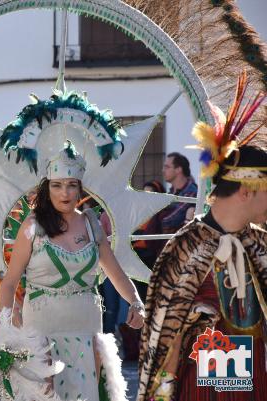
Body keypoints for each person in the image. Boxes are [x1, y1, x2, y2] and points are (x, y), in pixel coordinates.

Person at [138, 75, 267, 401]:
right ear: (248, 189)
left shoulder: (259, 244)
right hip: (203, 386)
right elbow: (163, 342)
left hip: (255, 382)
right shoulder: (186, 247)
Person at [0, 143, 145, 401]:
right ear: (47, 187)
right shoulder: (33, 226)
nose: (64, 193)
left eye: (71, 185)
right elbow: (10, 283)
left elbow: (117, 275)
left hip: (87, 331)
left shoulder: (91, 224)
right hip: (42, 332)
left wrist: (136, 301)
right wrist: (6, 331)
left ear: (80, 187)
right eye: (57, 185)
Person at [161, 152, 197, 234]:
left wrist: (157, 217)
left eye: (167, 167)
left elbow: (168, 222)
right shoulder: (171, 192)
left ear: (178, 169)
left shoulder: (191, 192)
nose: (163, 170)